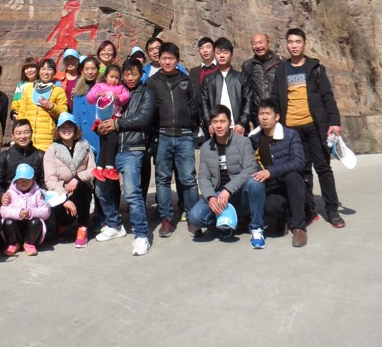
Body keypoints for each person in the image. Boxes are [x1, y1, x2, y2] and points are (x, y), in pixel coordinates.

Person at [271, 28, 345, 228]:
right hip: (292, 130)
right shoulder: (281, 70)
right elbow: (275, 98)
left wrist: (334, 122)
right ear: (286, 44)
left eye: (298, 41)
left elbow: (327, 96)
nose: (294, 45)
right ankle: (309, 209)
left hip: (314, 126)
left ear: (304, 43)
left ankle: (332, 210)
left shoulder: (315, 68)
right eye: (290, 42)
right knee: (303, 171)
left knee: (323, 168)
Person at [95, 58, 156, 255]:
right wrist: (101, 126)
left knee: (131, 192)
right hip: (110, 150)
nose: (129, 78)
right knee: (101, 188)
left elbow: (143, 118)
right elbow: (102, 112)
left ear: (141, 74)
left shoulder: (146, 93)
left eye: (134, 74)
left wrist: (116, 125)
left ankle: (141, 234)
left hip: (132, 148)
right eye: (127, 74)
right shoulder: (114, 90)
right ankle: (115, 225)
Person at [187, 106, 267, 249]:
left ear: (230, 122)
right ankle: (224, 221)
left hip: (239, 193)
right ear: (211, 124)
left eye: (222, 121)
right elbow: (203, 177)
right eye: (215, 122)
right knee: (194, 217)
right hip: (218, 195)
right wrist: (211, 197)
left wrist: (228, 190)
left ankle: (256, 228)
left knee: (255, 182)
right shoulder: (206, 147)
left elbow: (250, 169)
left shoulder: (243, 142)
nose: (218, 125)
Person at [147, 42, 199, 238]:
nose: (167, 62)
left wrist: (190, 124)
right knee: (162, 179)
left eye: (171, 58)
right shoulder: (152, 82)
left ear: (177, 60)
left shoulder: (186, 80)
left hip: (184, 135)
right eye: (164, 58)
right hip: (162, 135)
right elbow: (149, 109)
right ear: (159, 60)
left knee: (188, 178)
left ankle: (194, 217)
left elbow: (195, 105)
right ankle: (166, 219)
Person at [249, 99, 308, 247]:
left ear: (277, 117)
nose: (264, 117)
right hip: (272, 187)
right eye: (261, 114)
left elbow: (299, 162)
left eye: (268, 113)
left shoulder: (290, 135)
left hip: (290, 184)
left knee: (293, 176)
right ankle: (284, 218)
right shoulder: (254, 138)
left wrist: (271, 171)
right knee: (270, 208)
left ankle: (299, 228)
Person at [43, 113, 96, 249]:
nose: (66, 130)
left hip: (81, 188)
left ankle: (82, 228)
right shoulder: (52, 150)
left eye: (70, 126)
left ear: (75, 128)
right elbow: (50, 179)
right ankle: (62, 225)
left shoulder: (85, 146)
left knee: (82, 187)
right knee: (65, 215)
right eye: (63, 127)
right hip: (61, 191)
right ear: (58, 130)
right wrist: (64, 198)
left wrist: (77, 178)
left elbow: (92, 169)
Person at [200, 38, 253, 137]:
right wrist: (209, 123)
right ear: (214, 55)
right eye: (218, 53)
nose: (221, 55)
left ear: (231, 55)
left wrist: (242, 123)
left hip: (237, 129)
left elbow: (249, 101)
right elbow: (204, 103)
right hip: (216, 128)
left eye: (225, 52)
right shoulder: (208, 79)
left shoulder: (242, 77)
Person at [87, 64, 130, 181]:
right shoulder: (99, 86)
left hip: (114, 118)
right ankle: (109, 167)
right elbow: (90, 98)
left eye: (117, 78)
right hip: (102, 119)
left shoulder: (120, 88)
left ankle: (99, 168)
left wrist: (119, 98)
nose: (114, 80)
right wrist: (97, 94)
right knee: (112, 141)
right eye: (111, 77)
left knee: (106, 144)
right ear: (105, 76)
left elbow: (126, 97)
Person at [15, 58, 68, 151]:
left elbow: (64, 114)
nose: (46, 72)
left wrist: (51, 107)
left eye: (49, 69)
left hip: (47, 140)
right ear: (39, 71)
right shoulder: (28, 90)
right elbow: (21, 114)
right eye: (43, 69)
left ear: (54, 72)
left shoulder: (58, 91)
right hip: (28, 140)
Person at [0, 163, 50, 257]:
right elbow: (3, 211)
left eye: (27, 180)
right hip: (16, 226)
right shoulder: (10, 193)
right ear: (15, 180)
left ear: (33, 180)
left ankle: (29, 243)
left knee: (36, 222)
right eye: (20, 180)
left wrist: (31, 212)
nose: (23, 183)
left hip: (30, 226)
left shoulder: (38, 193)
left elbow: (46, 211)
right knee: (8, 222)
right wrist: (18, 213)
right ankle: (13, 243)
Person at [0, 118, 45, 205]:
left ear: (32, 133)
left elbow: (44, 181)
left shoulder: (40, 156)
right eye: (18, 133)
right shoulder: (5, 156)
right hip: (11, 202)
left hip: (35, 202)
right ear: (13, 135)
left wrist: (43, 194)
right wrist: (1, 195)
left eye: (26, 132)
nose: (23, 136)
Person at [242, 34, 281, 125]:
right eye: (254, 43)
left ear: (268, 43)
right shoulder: (248, 65)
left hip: (278, 113)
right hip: (258, 116)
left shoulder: (281, 63)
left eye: (261, 42)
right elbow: (247, 92)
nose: (258, 46)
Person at [72, 55, 101, 161]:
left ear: (98, 70)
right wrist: (77, 134)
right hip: (85, 133)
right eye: (87, 69)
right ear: (82, 71)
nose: (90, 72)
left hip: (100, 132)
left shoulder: (103, 88)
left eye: (93, 68)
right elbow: (76, 116)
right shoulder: (78, 92)